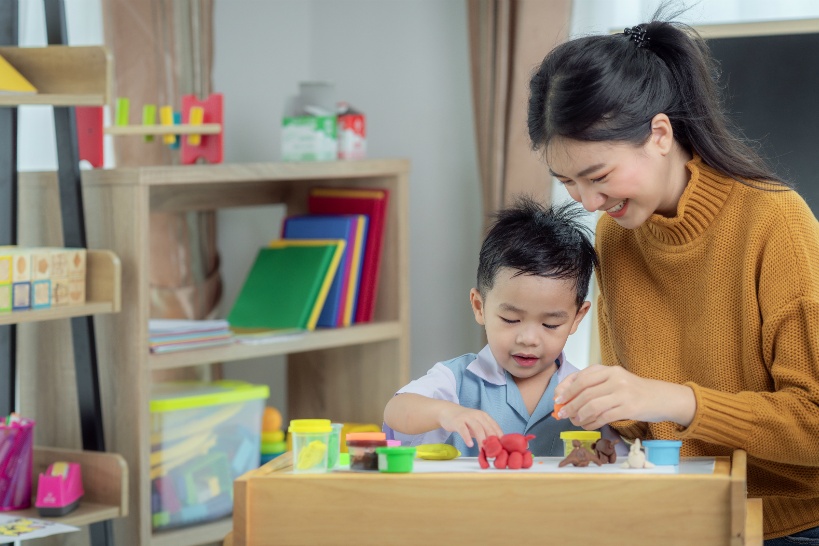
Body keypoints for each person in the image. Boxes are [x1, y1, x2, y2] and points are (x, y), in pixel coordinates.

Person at [527, 13, 819, 544]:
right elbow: (642, 418)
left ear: (659, 134)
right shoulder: (617, 235)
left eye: (598, 176)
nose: (588, 202)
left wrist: (671, 400)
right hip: (676, 509)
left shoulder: (775, 222)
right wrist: (599, 423)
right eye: (567, 181)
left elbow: (815, 422)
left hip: (787, 522)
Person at [383, 196, 601, 456]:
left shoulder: (584, 390)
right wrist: (446, 412)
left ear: (577, 317)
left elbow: (615, 454)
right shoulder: (456, 380)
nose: (529, 339)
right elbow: (397, 410)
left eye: (550, 324)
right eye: (511, 319)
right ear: (479, 306)